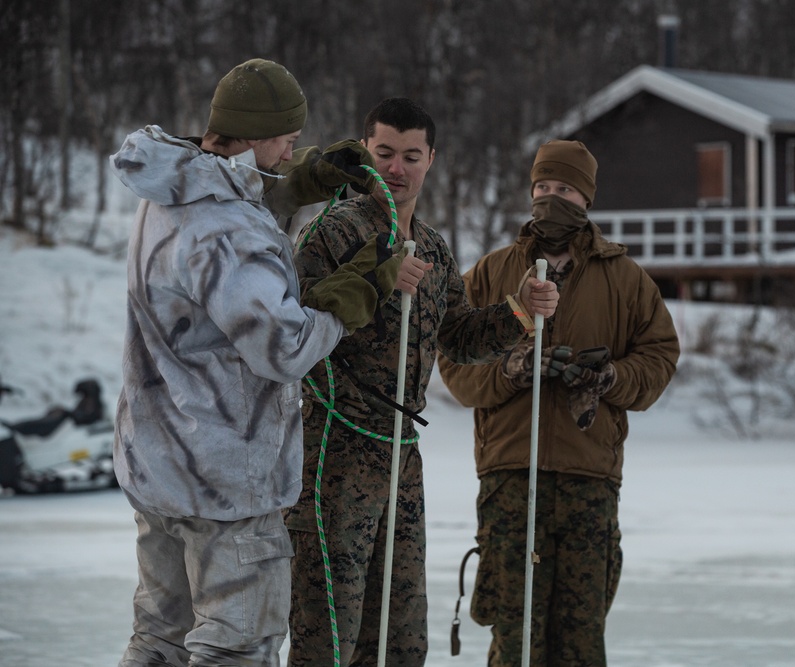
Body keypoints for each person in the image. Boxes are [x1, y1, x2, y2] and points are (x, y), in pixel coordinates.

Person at [110, 58, 402, 667]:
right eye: (290, 139)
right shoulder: (228, 228)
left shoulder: (169, 192)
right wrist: (358, 289)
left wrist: (299, 183)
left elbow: (223, 211)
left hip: (161, 467)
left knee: (160, 640)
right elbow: (285, 348)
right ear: (258, 132)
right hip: (226, 479)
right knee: (236, 648)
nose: (296, 146)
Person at [284, 97, 560, 666]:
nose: (397, 169)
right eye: (384, 153)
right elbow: (291, 327)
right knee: (329, 630)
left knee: (401, 633)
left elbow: (456, 336)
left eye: (411, 156)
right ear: (365, 154)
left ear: (430, 159)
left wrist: (518, 313)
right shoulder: (330, 235)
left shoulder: (433, 247)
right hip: (335, 453)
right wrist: (376, 279)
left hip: (401, 457)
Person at [438, 139, 681, 666]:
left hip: (588, 478)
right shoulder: (493, 273)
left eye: (565, 189)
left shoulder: (625, 279)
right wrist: (509, 369)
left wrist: (611, 378)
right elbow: (454, 364)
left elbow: (660, 357)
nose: (552, 198)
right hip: (509, 478)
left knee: (579, 637)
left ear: (586, 198)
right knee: (515, 635)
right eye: (543, 187)